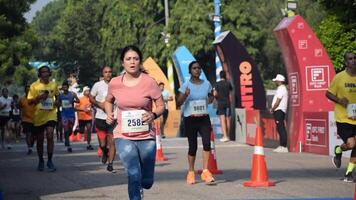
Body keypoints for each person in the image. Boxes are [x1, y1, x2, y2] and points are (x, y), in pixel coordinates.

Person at [105, 45, 164, 200]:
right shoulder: (115, 82)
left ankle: (144, 181)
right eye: (128, 59)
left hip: (146, 135)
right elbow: (108, 101)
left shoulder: (149, 82)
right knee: (133, 171)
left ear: (140, 62)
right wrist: (109, 113)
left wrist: (153, 114)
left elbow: (161, 105)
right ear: (122, 62)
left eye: (135, 59)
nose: (132, 62)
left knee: (147, 180)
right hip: (123, 134)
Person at [176, 60, 215, 185]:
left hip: (203, 117)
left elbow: (209, 98)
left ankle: (205, 170)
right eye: (194, 68)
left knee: (207, 143)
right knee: (192, 147)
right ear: (190, 71)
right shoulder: (186, 85)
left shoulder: (207, 84)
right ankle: (191, 172)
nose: (197, 70)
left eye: (199, 68)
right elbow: (178, 103)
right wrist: (185, 95)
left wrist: (212, 97)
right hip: (190, 118)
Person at [327, 52, 356, 182]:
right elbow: (328, 93)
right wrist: (339, 100)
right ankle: (338, 149)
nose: (353, 60)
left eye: (355, 58)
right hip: (343, 118)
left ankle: (349, 173)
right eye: (350, 59)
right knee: (351, 144)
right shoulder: (339, 77)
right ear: (345, 62)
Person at [28, 65, 59, 172]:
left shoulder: (54, 85)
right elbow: (29, 102)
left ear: (49, 73)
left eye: (47, 72)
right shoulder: (34, 86)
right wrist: (39, 98)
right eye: (43, 72)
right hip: (39, 115)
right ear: (40, 74)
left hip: (51, 114)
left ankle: (50, 161)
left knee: (50, 135)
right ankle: (41, 160)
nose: (45, 74)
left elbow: (58, 96)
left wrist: (57, 102)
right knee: (40, 140)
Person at [90, 66, 116, 172]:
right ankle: (105, 152)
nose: (108, 74)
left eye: (110, 72)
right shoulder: (98, 85)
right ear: (103, 74)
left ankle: (110, 164)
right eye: (106, 72)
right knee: (103, 144)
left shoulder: (116, 84)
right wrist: (99, 104)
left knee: (112, 142)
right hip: (100, 118)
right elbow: (91, 98)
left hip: (113, 118)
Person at [270, 74, 289, 153]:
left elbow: (278, 101)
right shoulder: (281, 88)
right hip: (278, 110)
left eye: (277, 81)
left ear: (279, 81)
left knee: (281, 128)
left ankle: (283, 146)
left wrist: (273, 108)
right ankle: (282, 145)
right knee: (280, 127)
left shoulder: (281, 89)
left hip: (279, 110)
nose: (276, 82)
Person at [58, 81, 79, 152]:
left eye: (66, 87)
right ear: (62, 88)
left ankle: (66, 136)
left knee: (70, 129)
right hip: (64, 114)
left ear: (68, 87)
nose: (65, 88)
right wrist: (59, 104)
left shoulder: (72, 94)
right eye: (63, 87)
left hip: (71, 114)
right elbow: (58, 103)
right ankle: (68, 143)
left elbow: (78, 101)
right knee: (66, 128)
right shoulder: (60, 95)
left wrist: (74, 101)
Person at [213, 70, 232, 142]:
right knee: (228, 119)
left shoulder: (217, 84)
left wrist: (217, 97)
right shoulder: (228, 83)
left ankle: (225, 136)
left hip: (220, 103)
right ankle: (228, 135)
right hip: (227, 103)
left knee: (222, 119)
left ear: (220, 76)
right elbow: (230, 93)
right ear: (225, 76)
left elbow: (215, 94)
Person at [19, 85, 35, 154]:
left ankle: (31, 145)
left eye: (29, 90)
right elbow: (20, 108)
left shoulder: (34, 99)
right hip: (25, 119)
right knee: (28, 134)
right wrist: (21, 118)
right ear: (25, 91)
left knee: (33, 135)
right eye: (27, 90)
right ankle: (29, 148)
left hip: (34, 119)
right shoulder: (21, 99)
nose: (28, 91)